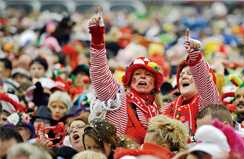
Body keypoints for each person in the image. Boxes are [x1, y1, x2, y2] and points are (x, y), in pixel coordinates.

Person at [88, 10, 164, 144]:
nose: (142, 78)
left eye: (147, 75)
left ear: (155, 84)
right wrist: (97, 39)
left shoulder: (162, 111)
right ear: (129, 81)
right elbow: (100, 73)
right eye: (138, 74)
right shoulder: (117, 100)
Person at [162, 30, 219, 136]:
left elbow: (205, 85)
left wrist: (194, 55)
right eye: (182, 74)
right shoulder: (168, 108)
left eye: (190, 73)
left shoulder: (207, 103)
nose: (183, 76)